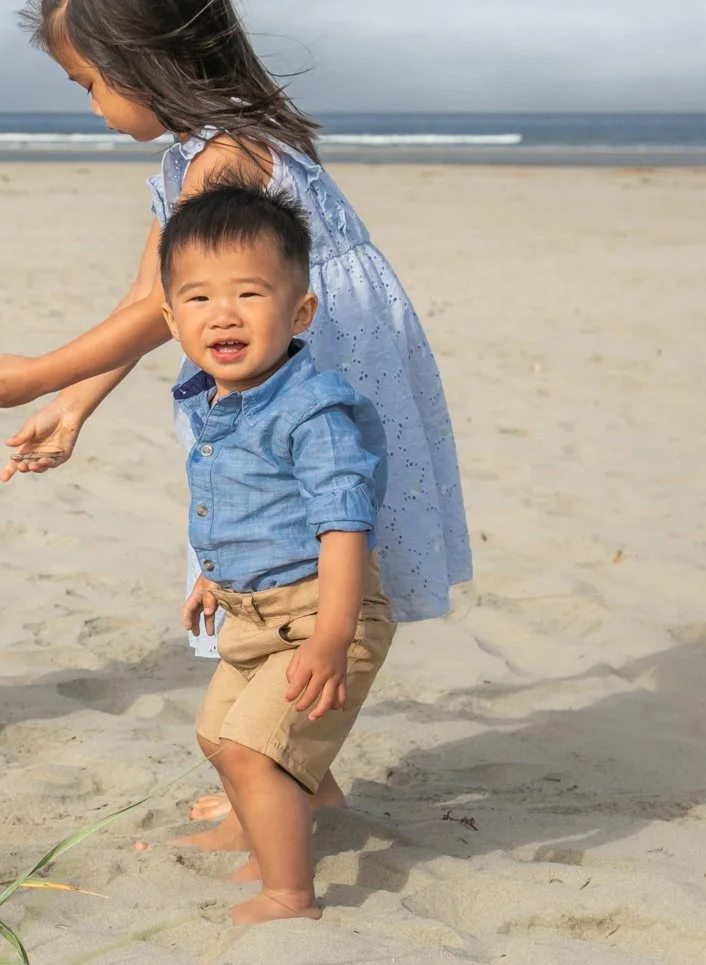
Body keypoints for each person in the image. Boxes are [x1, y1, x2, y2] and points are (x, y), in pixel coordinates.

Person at [0, 0, 472, 835]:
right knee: (265, 547)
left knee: (308, 552)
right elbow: (152, 290)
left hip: (311, 377)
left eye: (90, 85)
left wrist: (38, 373)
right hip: (271, 378)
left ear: (147, 61)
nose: (92, 109)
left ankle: (286, 769)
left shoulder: (230, 159)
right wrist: (75, 407)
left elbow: (163, 315)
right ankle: (294, 776)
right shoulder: (194, 155)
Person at [156, 182, 396, 923]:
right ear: (171, 318)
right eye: (197, 298)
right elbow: (233, 508)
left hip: (323, 615)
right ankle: (257, 825)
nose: (222, 314)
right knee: (218, 736)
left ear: (299, 313)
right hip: (250, 612)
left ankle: (290, 891)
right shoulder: (211, 398)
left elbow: (343, 526)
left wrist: (332, 636)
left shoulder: (312, 410)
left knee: (259, 749)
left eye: (249, 294)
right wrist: (209, 578)